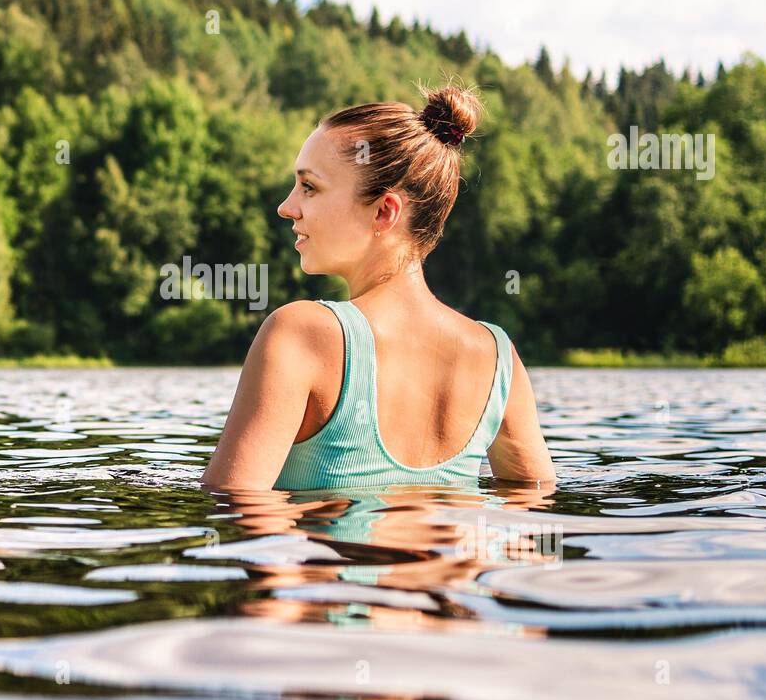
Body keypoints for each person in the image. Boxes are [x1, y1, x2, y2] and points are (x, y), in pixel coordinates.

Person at [202, 82, 556, 492]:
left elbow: (235, 506)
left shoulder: (301, 333)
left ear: (385, 212)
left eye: (309, 187)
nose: (287, 207)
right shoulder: (496, 356)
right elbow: (530, 510)